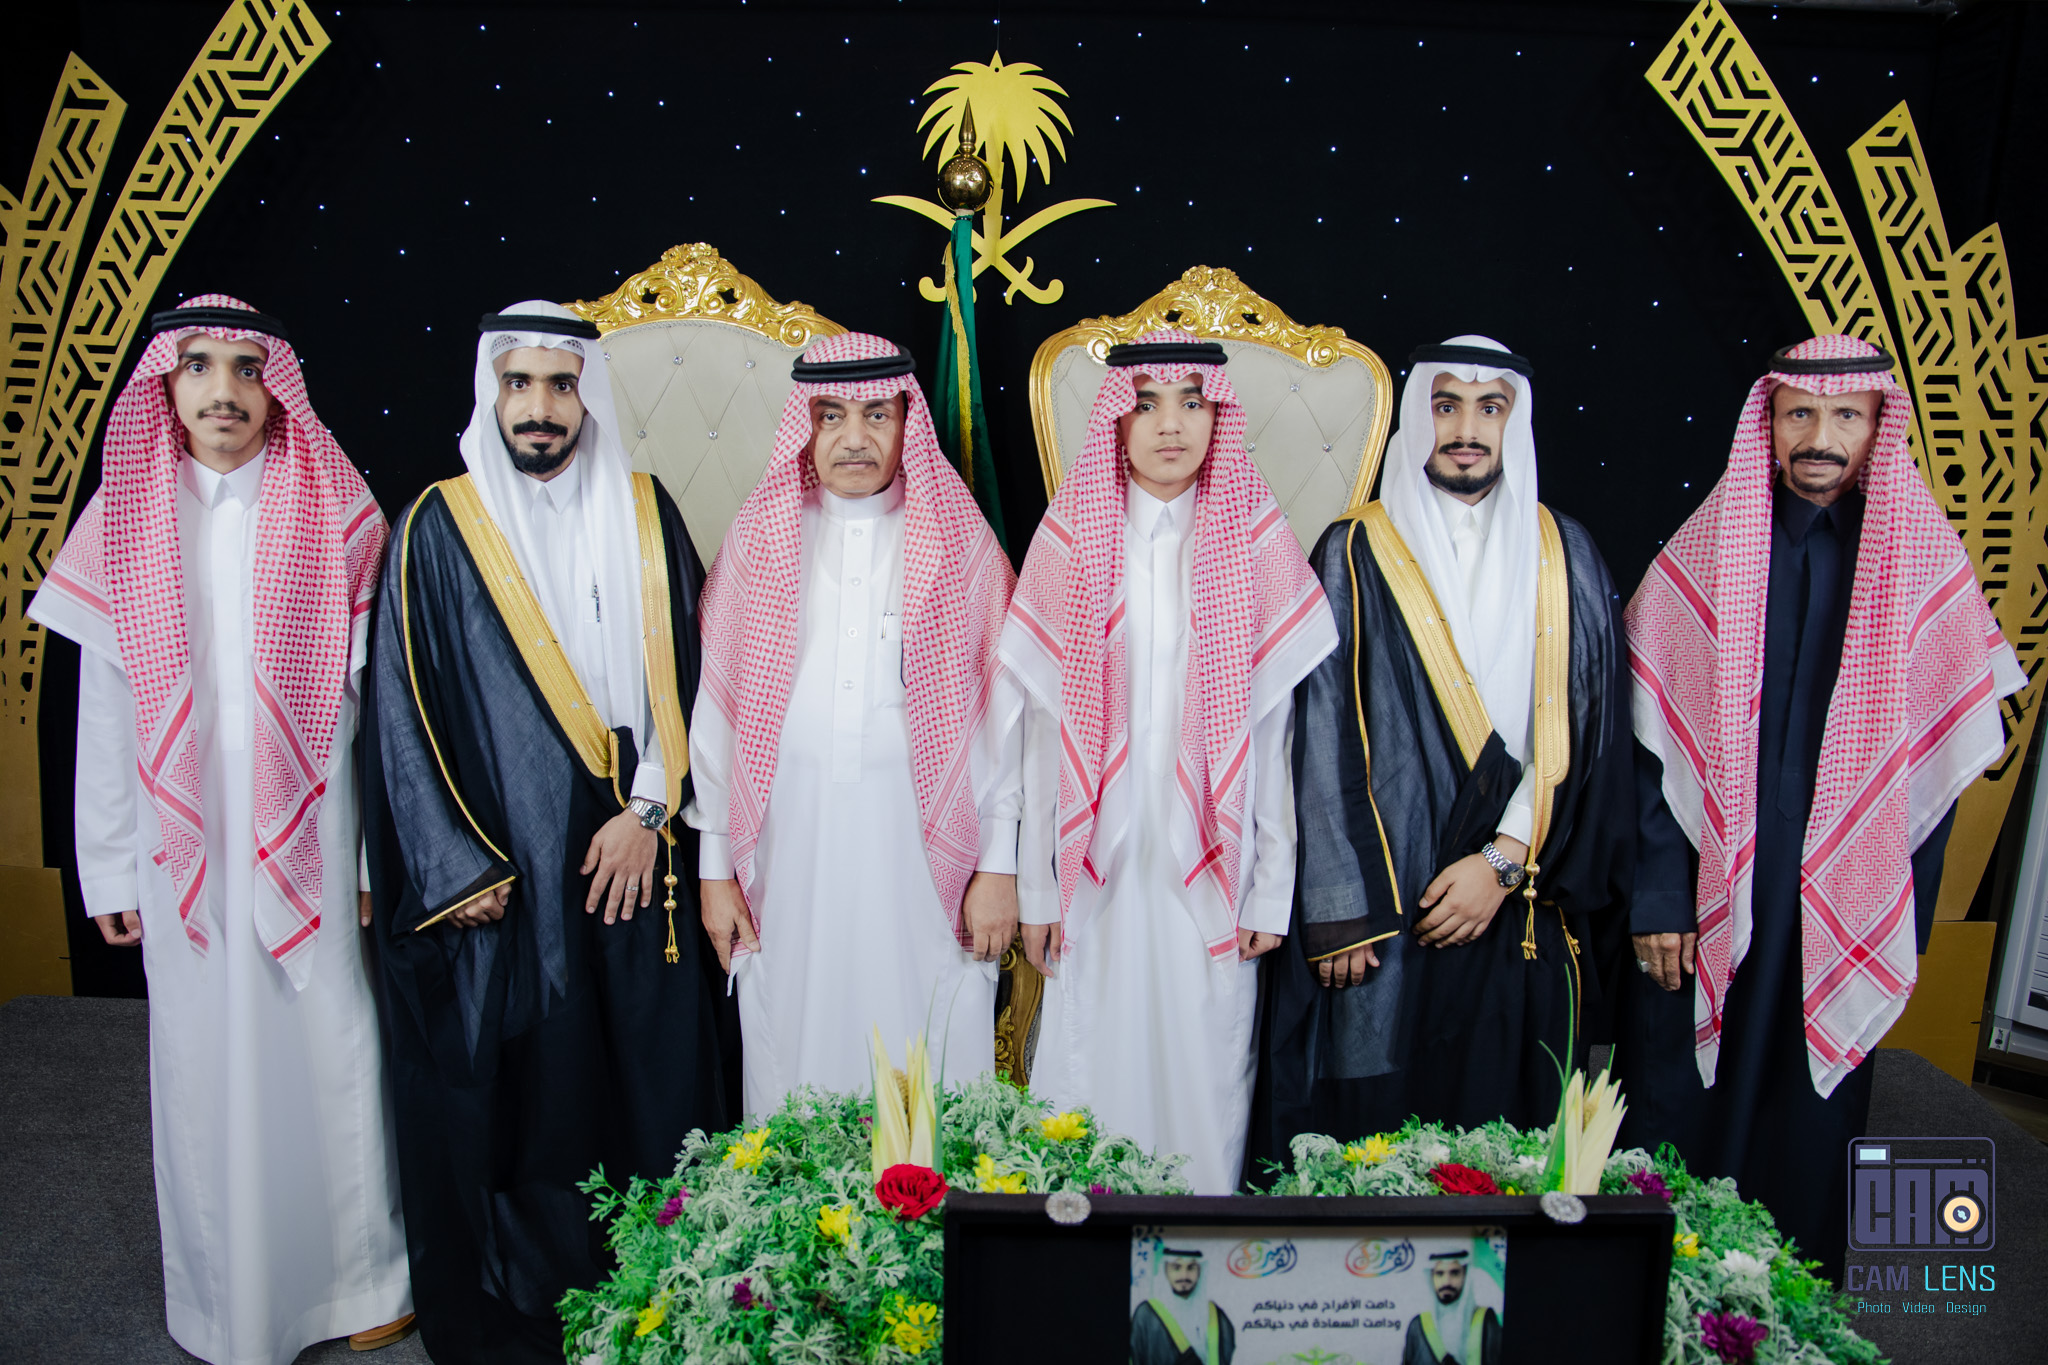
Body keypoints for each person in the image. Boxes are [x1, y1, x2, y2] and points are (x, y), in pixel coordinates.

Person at [30, 296, 413, 1362]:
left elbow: (375, 713)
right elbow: (106, 712)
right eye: (198, 365)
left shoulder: (333, 506)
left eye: (247, 368)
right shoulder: (122, 520)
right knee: (203, 1058)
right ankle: (225, 1302)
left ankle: (361, 1283)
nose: (224, 391)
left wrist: (373, 857)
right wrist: (108, 868)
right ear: (166, 383)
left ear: (275, 386)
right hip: (179, 839)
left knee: (335, 1045)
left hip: (317, 832)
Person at [362, 301, 735, 1363]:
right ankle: (535, 1305)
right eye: (519, 384)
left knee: (649, 1066)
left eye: (560, 386)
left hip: (637, 833)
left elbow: (697, 676)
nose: (539, 408)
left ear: (586, 396)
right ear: (492, 392)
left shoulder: (645, 509)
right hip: (502, 850)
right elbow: (398, 709)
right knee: (536, 1081)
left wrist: (648, 810)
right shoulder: (438, 525)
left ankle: (665, 1293)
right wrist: (454, 864)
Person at [1620, 334, 2023, 1280]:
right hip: (1706, 898)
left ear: (1881, 425)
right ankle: (1649, 1296)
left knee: (1807, 1119)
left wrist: (1888, 915)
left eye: (1846, 415)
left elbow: (1937, 769)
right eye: (1799, 413)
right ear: (1767, 423)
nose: (1820, 437)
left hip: (1842, 898)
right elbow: (1645, 748)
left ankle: (1785, 1305)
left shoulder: (1921, 563)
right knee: (1675, 1106)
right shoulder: (1708, 548)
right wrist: (1660, 898)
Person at [1250, 337, 1633, 1170]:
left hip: (1519, 891)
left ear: (1514, 423)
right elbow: (1319, 735)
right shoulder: (1355, 547)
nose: (1466, 429)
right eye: (1445, 404)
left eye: (1490, 408)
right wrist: (1342, 910)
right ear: (1418, 416)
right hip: (1387, 907)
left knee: (1507, 1144)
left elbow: (1591, 728)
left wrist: (1503, 860)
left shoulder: (1566, 553)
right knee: (1372, 1148)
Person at [1000, 332, 1337, 1194]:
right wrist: (1037, 890)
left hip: (1215, 866)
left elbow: (1275, 730)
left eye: (1192, 402)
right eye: (1146, 403)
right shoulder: (1071, 538)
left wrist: (1272, 886)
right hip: (1094, 866)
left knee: (1204, 1071)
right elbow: (1040, 733)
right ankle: (1079, 1250)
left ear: (1218, 416)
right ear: (1116, 420)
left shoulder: (1253, 540)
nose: (1170, 425)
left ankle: (1196, 1251)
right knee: (1089, 1067)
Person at [688, 332, 1017, 1116]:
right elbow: (718, 717)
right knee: (794, 1046)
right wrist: (713, 868)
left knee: (931, 1048)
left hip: (929, 863)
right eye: (830, 414)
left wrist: (1001, 865)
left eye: (877, 414)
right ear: (804, 427)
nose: (854, 437)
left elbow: (1008, 724)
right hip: (788, 854)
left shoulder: (961, 544)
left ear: (908, 422)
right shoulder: (760, 537)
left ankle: (930, 1196)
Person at [1132, 1246, 1236, 1365]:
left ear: (1200, 1270)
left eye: (1191, 1268)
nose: (1184, 1276)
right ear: (1165, 1269)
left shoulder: (1216, 1316)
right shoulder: (1146, 1314)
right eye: (1176, 1267)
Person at [1401, 1250, 1501, 1365]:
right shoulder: (1417, 1326)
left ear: (1465, 1275)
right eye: (1439, 1274)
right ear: (1431, 1277)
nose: (1447, 1282)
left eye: (1454, 1273)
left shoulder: (1485, 1320)